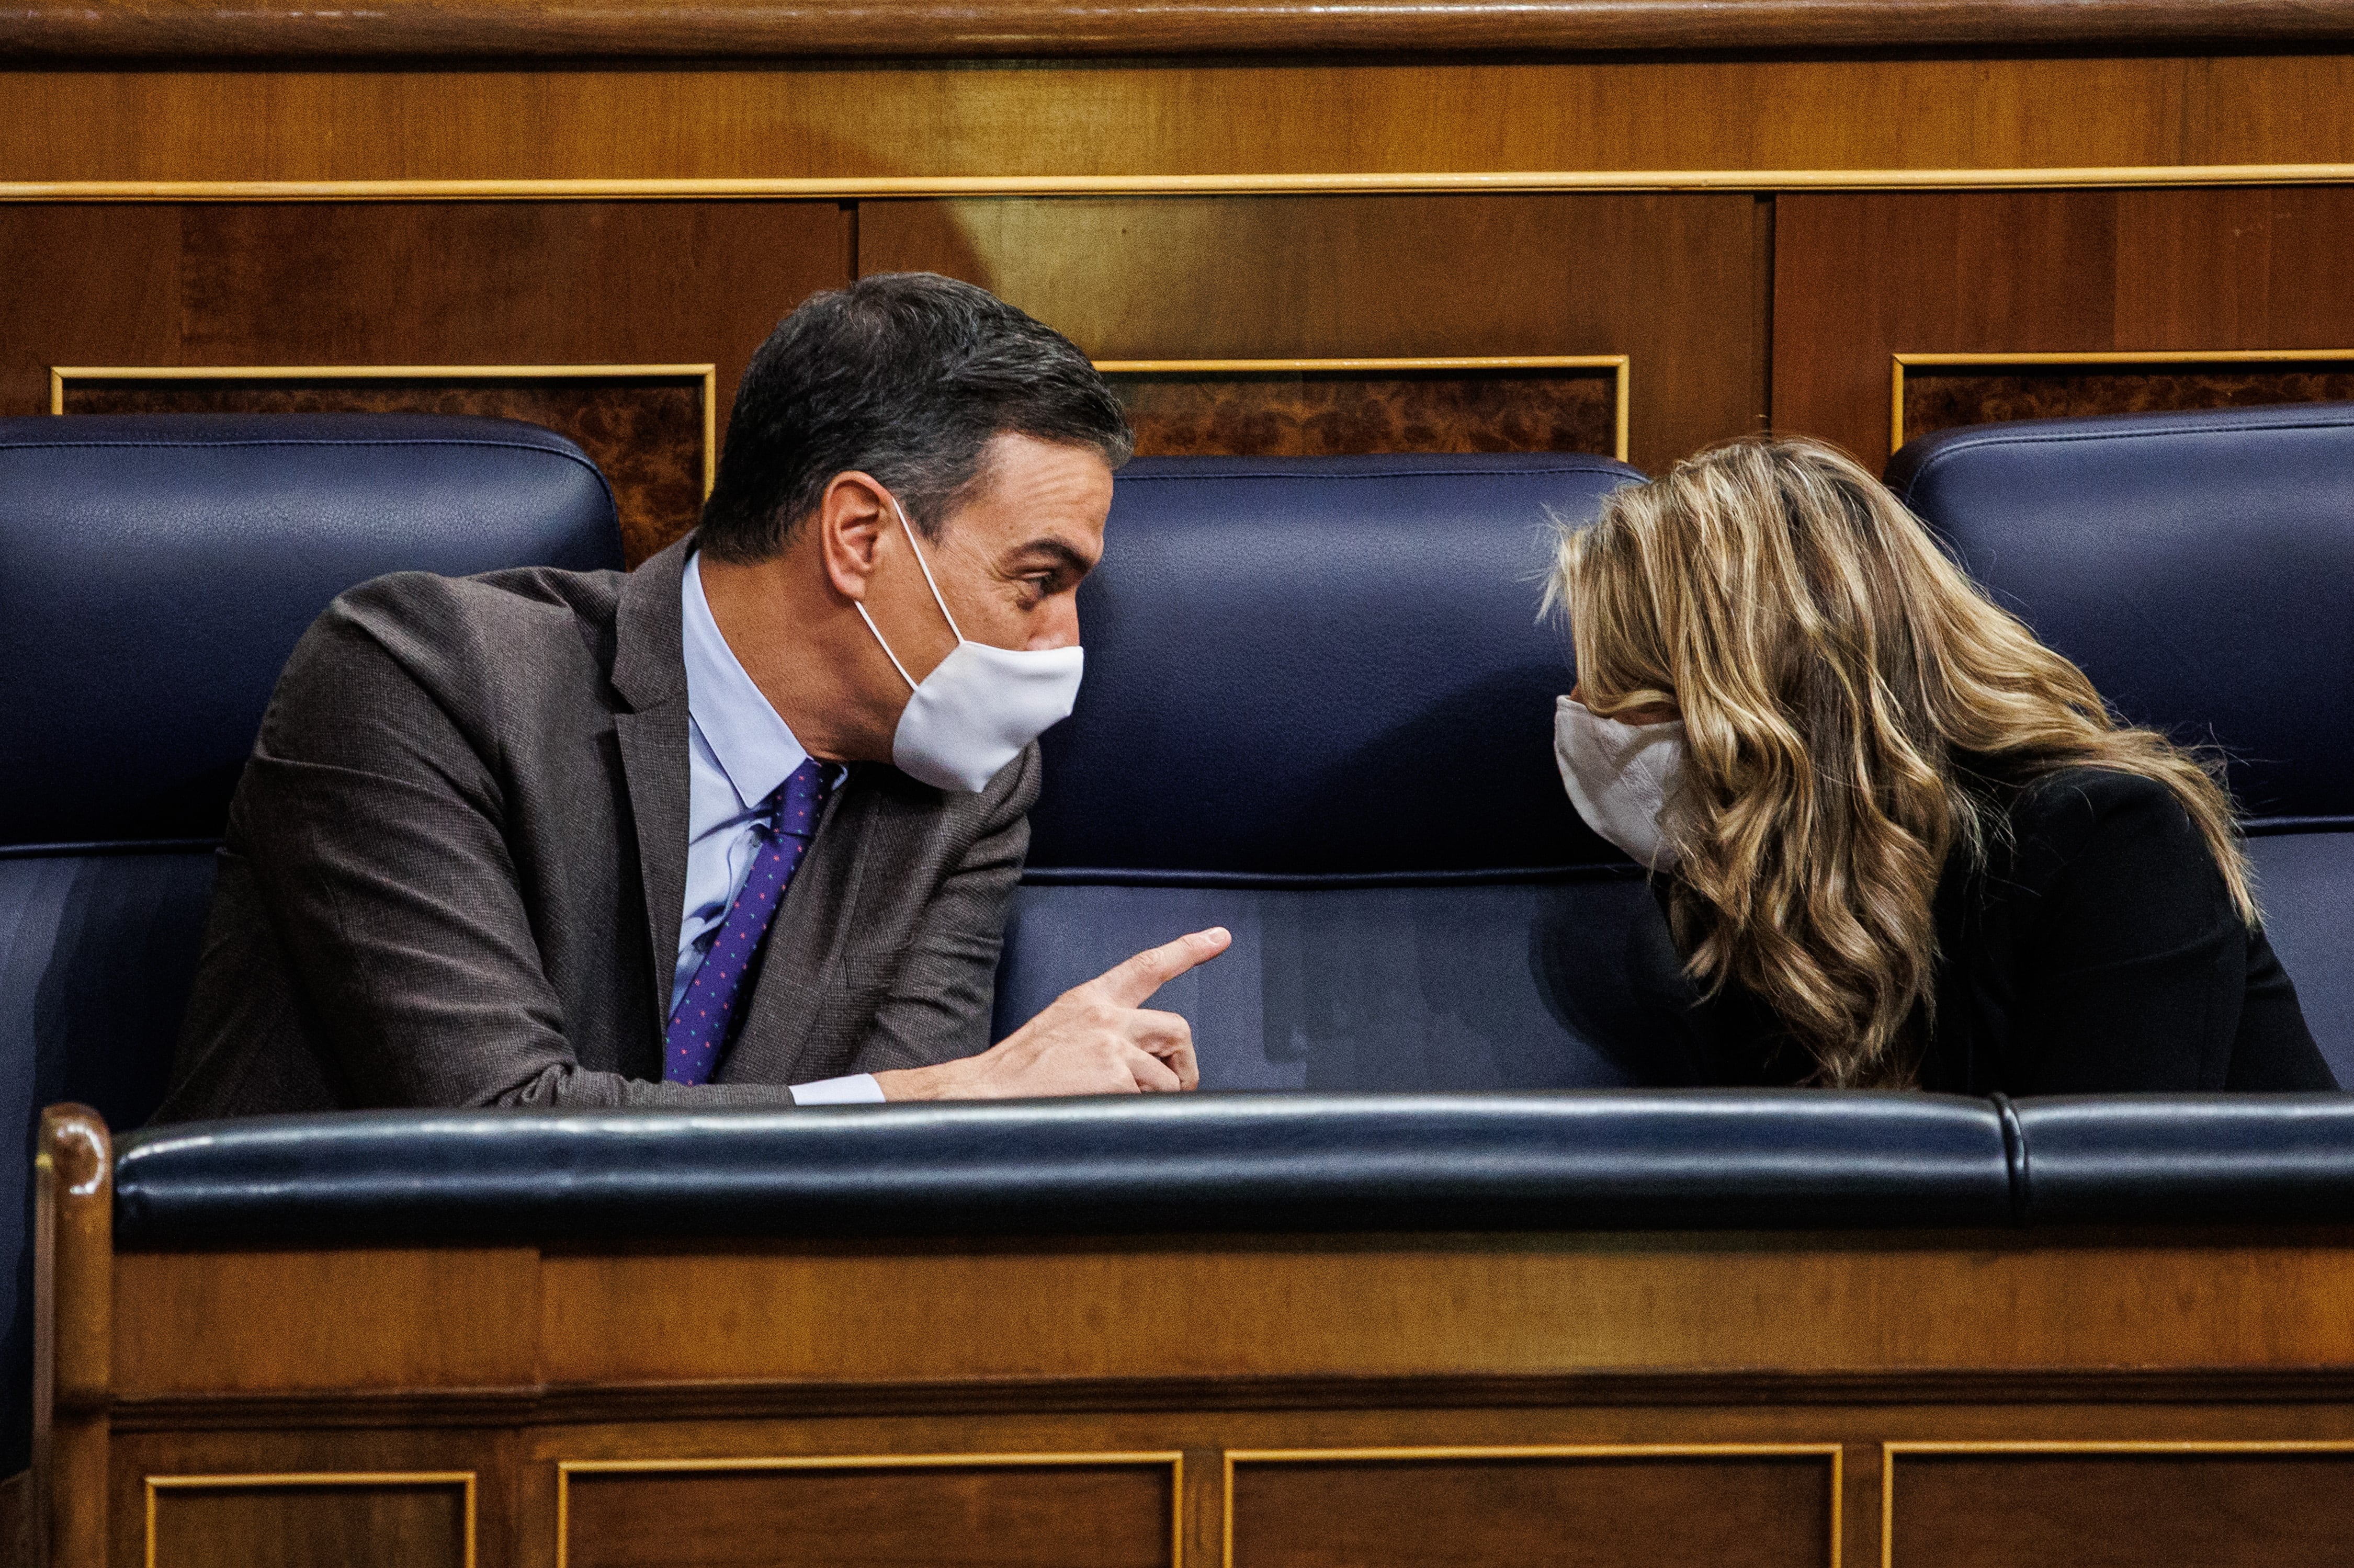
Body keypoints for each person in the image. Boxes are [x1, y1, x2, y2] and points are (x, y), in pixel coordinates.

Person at [156, 273, 1229, 1120]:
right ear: (860, 536)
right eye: (1038, 582)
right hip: (337, 1343)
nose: (1064, 643)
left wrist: (969, 1107)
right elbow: (494, 1129)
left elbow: (896, 1169)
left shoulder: (966, 787)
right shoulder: (422, 679)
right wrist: (971, 1091)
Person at [1548, 436, 2336, 1094]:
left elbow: (2104, 1245)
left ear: (1757, 698)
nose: (1582, 704)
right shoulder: (1744, 881)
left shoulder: (2110, 848)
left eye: (1621, 679)